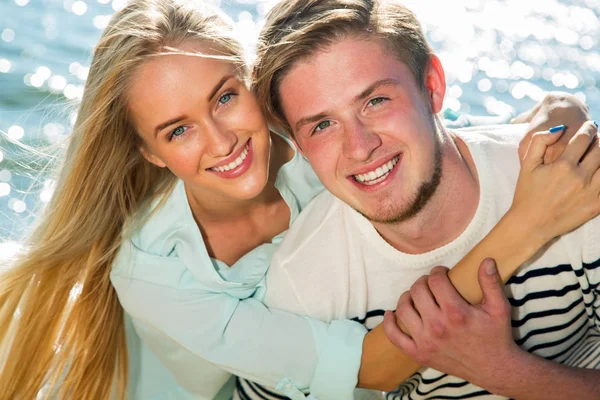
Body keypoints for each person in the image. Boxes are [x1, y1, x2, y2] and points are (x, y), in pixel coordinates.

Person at [0, 1, 595, 399]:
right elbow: (374, 364)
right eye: (177, 130)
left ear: (253, 87)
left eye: (225, 97)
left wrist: (556, 118)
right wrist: (528, 224)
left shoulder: (319, 144)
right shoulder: (154, 274)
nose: (222, 139)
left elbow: (421, 131)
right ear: (151, 153)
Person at [252, 0, 600, 399]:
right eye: (323, 125)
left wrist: (507, 372)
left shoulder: (573, 190)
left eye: (375, 101)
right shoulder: (301, 282)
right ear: (299, 145)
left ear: (432, 86)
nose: (360, 148)